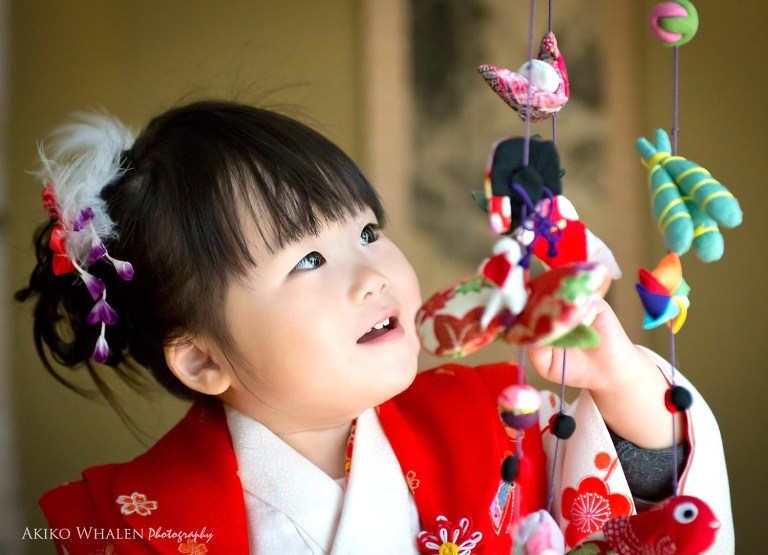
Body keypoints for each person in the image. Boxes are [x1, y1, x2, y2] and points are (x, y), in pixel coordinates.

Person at [16, 100, 733, 554]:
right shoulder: (132, 527)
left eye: (366, 231)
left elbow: (645, 519)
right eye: (310, 259)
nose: (372, 275)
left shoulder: (492, 418)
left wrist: (619, 377)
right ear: (203, 359)